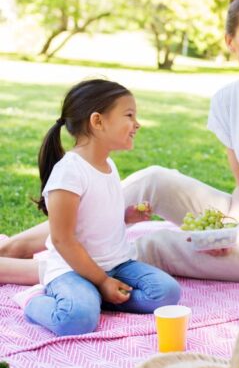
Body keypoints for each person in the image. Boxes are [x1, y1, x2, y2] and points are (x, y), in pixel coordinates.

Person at [0, 0, 239, 284]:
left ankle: (18, 271)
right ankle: (15, 247)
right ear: (230, 41)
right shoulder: (225, 102)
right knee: (152, 180)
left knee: (154, 245)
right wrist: (228, 228)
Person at [21, 79, 180, 336]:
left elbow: (97, 218)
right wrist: (102, 280)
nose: (137, 124)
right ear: (97, 121)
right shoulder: (69, 173)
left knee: (166, 293)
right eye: (129, 115)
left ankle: (95, 297)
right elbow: (63, 240)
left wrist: (127, 216)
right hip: (72, 270)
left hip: (117, 264)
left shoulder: (108, 165)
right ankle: (34, 303)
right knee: (77, 320)